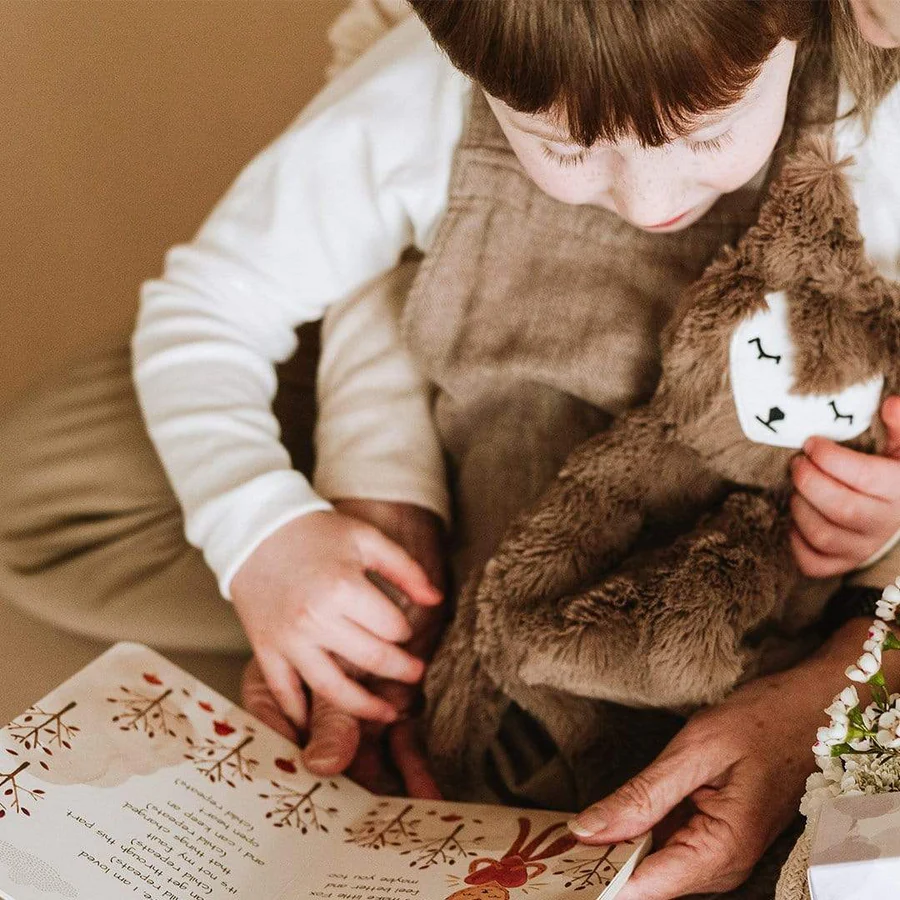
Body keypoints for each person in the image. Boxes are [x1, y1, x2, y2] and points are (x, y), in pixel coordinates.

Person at [0, 1, 898, 897]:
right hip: (493, 525)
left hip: (763, 606)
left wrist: (878, 560)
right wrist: (269, 534)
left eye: (705, 135)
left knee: (853, 858)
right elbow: (206, 305)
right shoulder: (426, 96)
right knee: (43, 506)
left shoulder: (872, 116)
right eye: (568, 146)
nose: (647, 198)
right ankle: (384, 635)